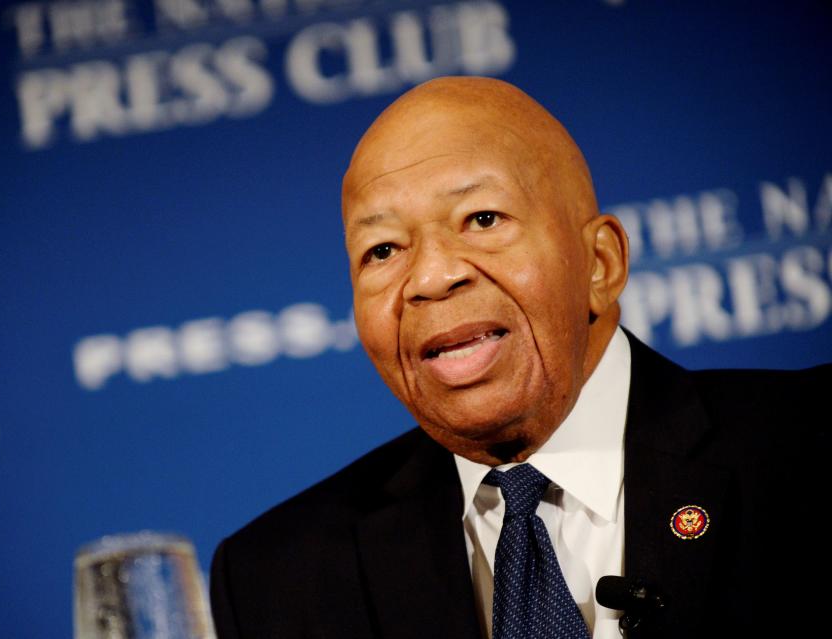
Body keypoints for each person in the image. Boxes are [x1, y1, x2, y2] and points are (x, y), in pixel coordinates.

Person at [209, 77, 829, 639]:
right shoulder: (279, 580)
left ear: (599, 264)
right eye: (382, 250)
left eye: (482, 218)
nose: (430, 276)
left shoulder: (809, 444)